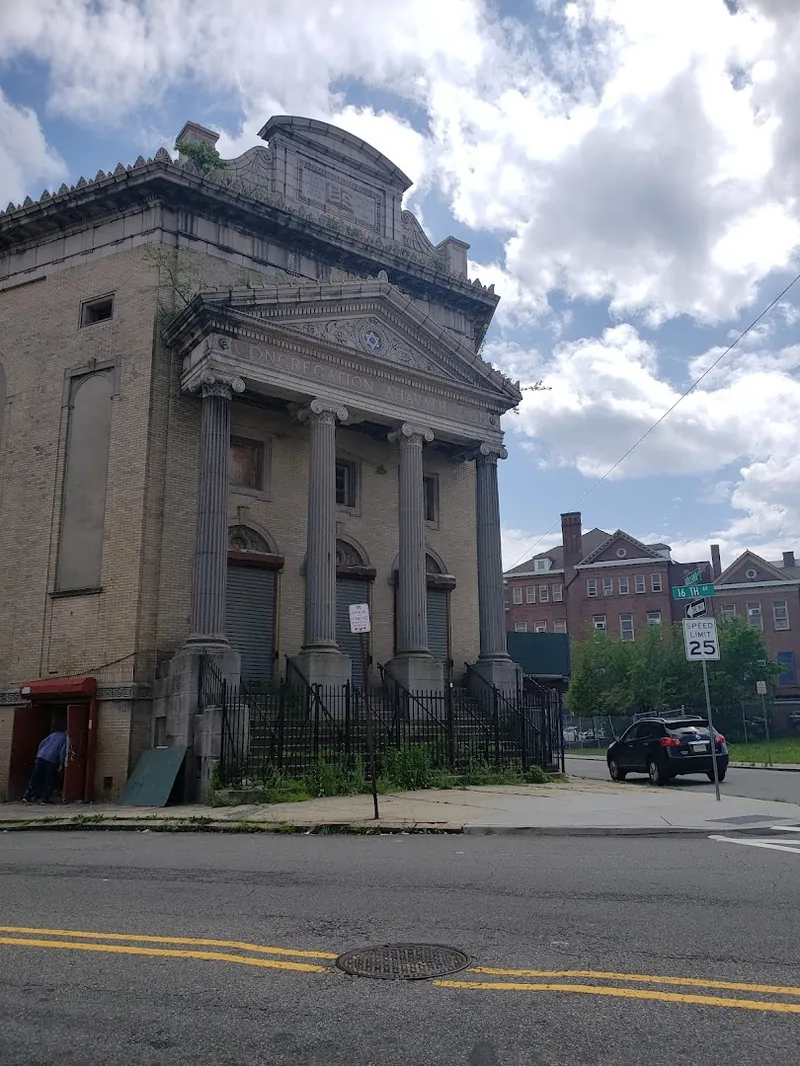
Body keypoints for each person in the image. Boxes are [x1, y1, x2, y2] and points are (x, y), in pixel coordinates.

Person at [22, 731, 67, 804]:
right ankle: (45, 799)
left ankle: (27, 796)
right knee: (49, 780)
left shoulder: (53, 734)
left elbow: (42, 743)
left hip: (41, 756)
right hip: (51, 759)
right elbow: (62, 752)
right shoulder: (66, 738)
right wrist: (61, 764)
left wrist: (38, 755)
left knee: (35, 777)